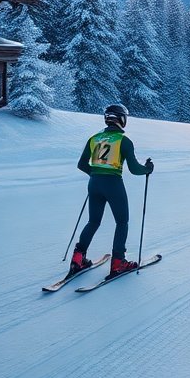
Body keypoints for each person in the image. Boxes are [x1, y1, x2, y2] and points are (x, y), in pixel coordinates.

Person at [71, 104, 155, 279]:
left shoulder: (94, 139)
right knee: (122, 222)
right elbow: (134, 169)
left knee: (93, 221)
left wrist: (95, 174)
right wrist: (147, 169)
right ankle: (118, 263)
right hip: (113, 184)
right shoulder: (123, 141)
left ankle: (78, 258)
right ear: (122, 120)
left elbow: (81, 164)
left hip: (94, 184)